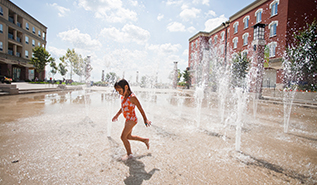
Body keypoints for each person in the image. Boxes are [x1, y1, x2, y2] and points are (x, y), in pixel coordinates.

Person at [112, 79, 151, 160]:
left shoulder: (132, 97)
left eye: (119, 90)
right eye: (117, 91)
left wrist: (145, 119)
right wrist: (116, 115)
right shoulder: (123, 96)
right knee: (128, 136)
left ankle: (129, 154)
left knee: (123, 137)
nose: (119, 93)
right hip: (128, 119)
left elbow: (140, 108)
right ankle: (145, 140)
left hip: (132, 119)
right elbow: (122, 108)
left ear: (126, 87)